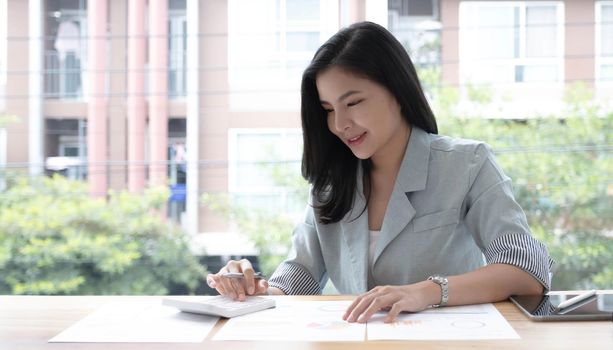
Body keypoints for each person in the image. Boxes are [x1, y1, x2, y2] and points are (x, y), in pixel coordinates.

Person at [206, 21, 553, 323]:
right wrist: (248, 288)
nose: (340, 124)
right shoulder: (331, 184)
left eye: (353, 103)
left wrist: (426, 292)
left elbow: (525, 271)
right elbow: (298, 278)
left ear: (397, 92)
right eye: (328, 109)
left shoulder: (467, 163)